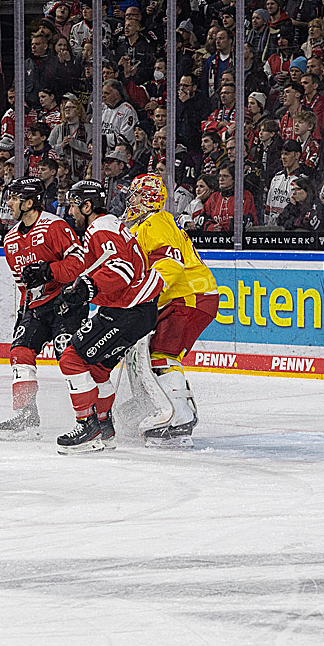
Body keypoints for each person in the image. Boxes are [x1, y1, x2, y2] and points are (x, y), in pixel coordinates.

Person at [52, 179, 163, 454]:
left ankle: (87, 427)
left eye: (74, 206)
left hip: (126, 312)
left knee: (71, 359)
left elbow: (122, 270)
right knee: (98, 369)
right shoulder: (111, 226)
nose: (70, 212)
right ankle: (104, 427)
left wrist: (89, 287)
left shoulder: (100, 228)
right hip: (136, 312)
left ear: (88, 206)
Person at [120, 174, 218, 447]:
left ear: (149, 198)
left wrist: (142, 295)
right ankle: (172, 410)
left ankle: (180, 417)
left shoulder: (156, 222)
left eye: (137, 195)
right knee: (156, 353)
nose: (131, 200)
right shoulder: (145, 226)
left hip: (190, 296)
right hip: (184, 297)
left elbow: (170, 265)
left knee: (163, 353)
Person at [0, 176, 87, 441]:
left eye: (14, 198)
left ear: (28, 202)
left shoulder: (54, 226)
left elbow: (79, 263)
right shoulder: (10, 240)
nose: (9, 203)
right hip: (36, 307)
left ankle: (92, 417)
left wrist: (49, 271)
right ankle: (27, 414)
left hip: (66, 303)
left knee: (71, 357)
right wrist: (23, 313)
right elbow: (22, 285)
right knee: (20, 351)